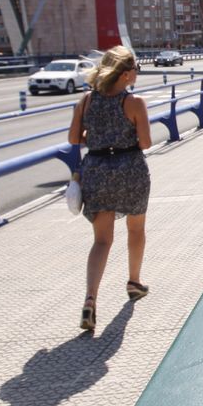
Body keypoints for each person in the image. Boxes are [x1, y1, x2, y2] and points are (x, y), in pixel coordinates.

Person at [67, 46, 152, 333]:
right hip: (130, 170)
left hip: (97, 170)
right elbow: (146, 143)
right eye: (136, 69)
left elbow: (73, 138)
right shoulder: (134, 102)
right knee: (135, 229)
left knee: (102, 241)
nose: (137, 74)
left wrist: (97, 134)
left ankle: (90, 299)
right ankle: (134, 282)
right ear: (126, 74)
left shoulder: (87, 101)